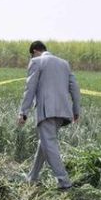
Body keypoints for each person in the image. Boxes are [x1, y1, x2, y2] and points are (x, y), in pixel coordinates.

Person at [18, 41, 81, 190]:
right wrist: (76, 109)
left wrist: (23, 112)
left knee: (50, 145)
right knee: (45, 142)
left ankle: (64, 182)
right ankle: (32, 177)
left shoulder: (36, 61)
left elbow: (30, 88)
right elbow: (75, 88)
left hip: (47, 111)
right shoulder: (64, 63)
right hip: (63, 112)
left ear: (34, 51)